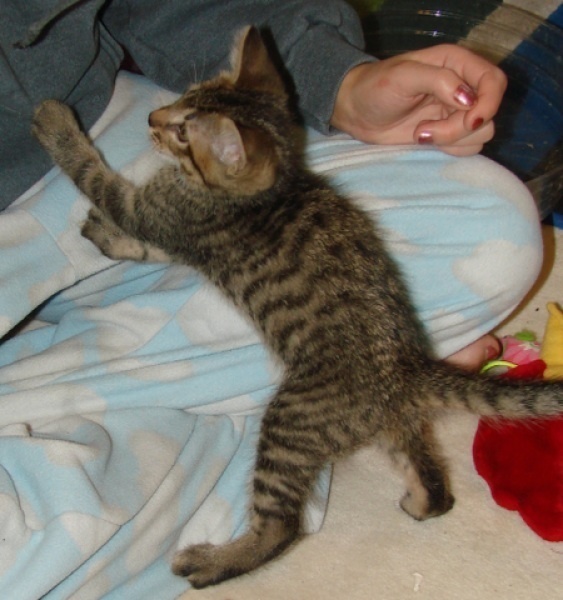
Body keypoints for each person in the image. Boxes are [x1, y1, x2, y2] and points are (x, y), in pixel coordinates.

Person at [0, 1, 542, 598]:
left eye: (180, 124)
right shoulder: (227, 178)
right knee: (376, 384)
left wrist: (340, 80)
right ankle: (188, 441)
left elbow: (153, 212)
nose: (164, 119)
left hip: (107, 124)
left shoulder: (206, 183)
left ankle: (228, 491)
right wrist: (71, 150)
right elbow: (164, 223)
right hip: (332, 352)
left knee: (499, 227)